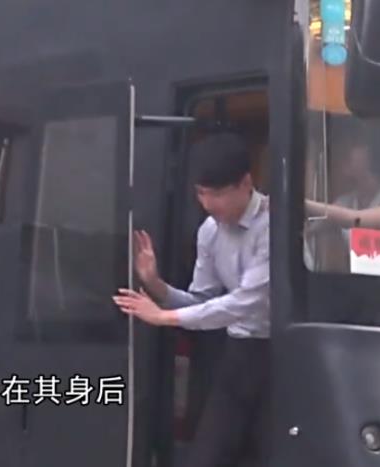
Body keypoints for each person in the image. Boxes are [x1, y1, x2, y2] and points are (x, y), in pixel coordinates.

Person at [112, 132, 270, 467]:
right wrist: (155, 284)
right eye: (200, 193)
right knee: (211, 454)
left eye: (217, 194)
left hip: (280, 349)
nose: (208, 204)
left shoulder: (272, 225)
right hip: (239, 352)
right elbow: (202, 301)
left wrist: (162, 317)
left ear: (245, 183)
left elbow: (246, 302)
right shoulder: (210, 230)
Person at [305, 123, 380, 241]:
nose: (345, 150)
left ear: (376, 153)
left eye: (355, 144)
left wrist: (303, 203)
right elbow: (310, 228)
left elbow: (356, 219)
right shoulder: (347, 202)